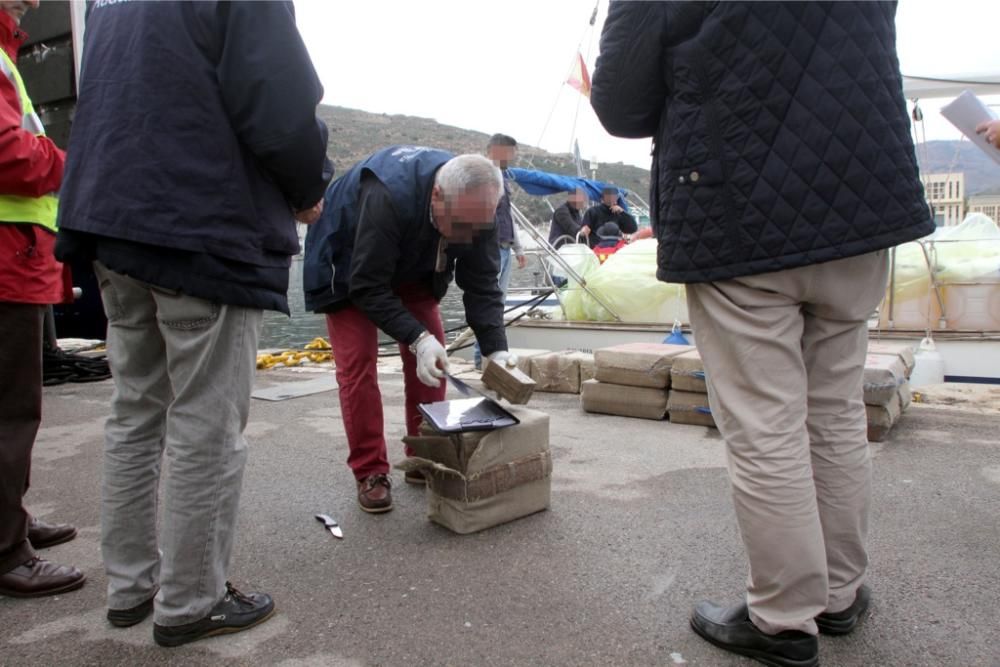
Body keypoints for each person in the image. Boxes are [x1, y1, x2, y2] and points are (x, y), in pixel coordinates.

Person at [592, 3, 933, 666]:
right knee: (833, 409)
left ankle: (782, 618)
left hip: (738, 203)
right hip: (861, 198)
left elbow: (621, 105)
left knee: (765, 423)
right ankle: (839, 593)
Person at [54, 0, 331, 647]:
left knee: (134, 411)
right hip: (199, 221)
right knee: (206, 424)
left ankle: (130, 588)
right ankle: (189, 599)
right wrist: (308, 184)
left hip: (110, 219)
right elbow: (277, 96)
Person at [303, 146, 516, 514]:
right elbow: (367, 286)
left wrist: (496, 348)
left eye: (476, 227)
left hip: (417, 262)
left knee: (435, 366)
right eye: (460, 225)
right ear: (437, 195)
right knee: (358, 367)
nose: (467, 237)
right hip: (350, 263)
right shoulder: (388, 195)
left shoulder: (477, 208)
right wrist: (417, 338)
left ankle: (423, 455)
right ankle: (371, 471)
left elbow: (481, 283)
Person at [0, 0, 85, 600]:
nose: (33, 1)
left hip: (17, 255)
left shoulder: (10, 55)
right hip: (6, 258)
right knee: (11, 411)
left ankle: (11, 520)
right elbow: (12, 154)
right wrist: (73, 161)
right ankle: (6, 550)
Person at [473, 133, 526, 369]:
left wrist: (518, 247)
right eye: (511, 152)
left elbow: (508, 215)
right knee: (488, 304)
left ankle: (488, 359)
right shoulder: (481, 174)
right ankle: (481, 360)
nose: (513, 158)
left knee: (498, 304)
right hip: (489, 249)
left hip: (504, 247)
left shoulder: (502, 177)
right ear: (498, 149)